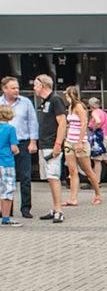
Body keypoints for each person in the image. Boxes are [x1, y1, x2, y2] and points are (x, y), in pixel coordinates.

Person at [1, 76, 38, 218]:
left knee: (25, 177)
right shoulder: (0, 103)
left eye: (17, 87)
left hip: (22, 143)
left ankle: (26, 208)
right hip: (4, 145)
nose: (17, 90)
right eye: (13, 88)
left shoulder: (26, 102)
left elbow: (33, 122)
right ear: (4, 89)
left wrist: (33, 141)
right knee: (5, 178)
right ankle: (6, 210)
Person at [33, 75, 67, 223]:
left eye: (35, 84)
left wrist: (58, 144)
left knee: (54, 177)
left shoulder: (55, 100)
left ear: (43, 85)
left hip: (52, 145)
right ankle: (55, 208)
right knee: (49, 177)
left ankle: (59, 210)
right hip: (44, 144)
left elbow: (62, 123)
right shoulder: (45, 102)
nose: (34, 88)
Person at [62, 87, 102, 206]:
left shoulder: (79, 106)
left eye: (66, 95)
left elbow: (84, 124)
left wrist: (80, 142)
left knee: (88, 170)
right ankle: (73, 198)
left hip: (80, 142)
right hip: (70, 141)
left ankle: (98, 194)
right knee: (72, 171)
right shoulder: (70, 107)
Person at [0, 104, 21, 227]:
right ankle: (6, 218)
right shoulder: (10, 129)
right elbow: (14, 148)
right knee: (7, 190)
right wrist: (17, 151)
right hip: (7, 162)